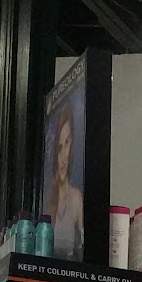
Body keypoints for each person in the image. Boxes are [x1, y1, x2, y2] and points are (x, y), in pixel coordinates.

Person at [45, 105, 86, 258]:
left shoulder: (76, 198)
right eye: (59, 148)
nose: (63, 157)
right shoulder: (48, 205)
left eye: (67, 143)